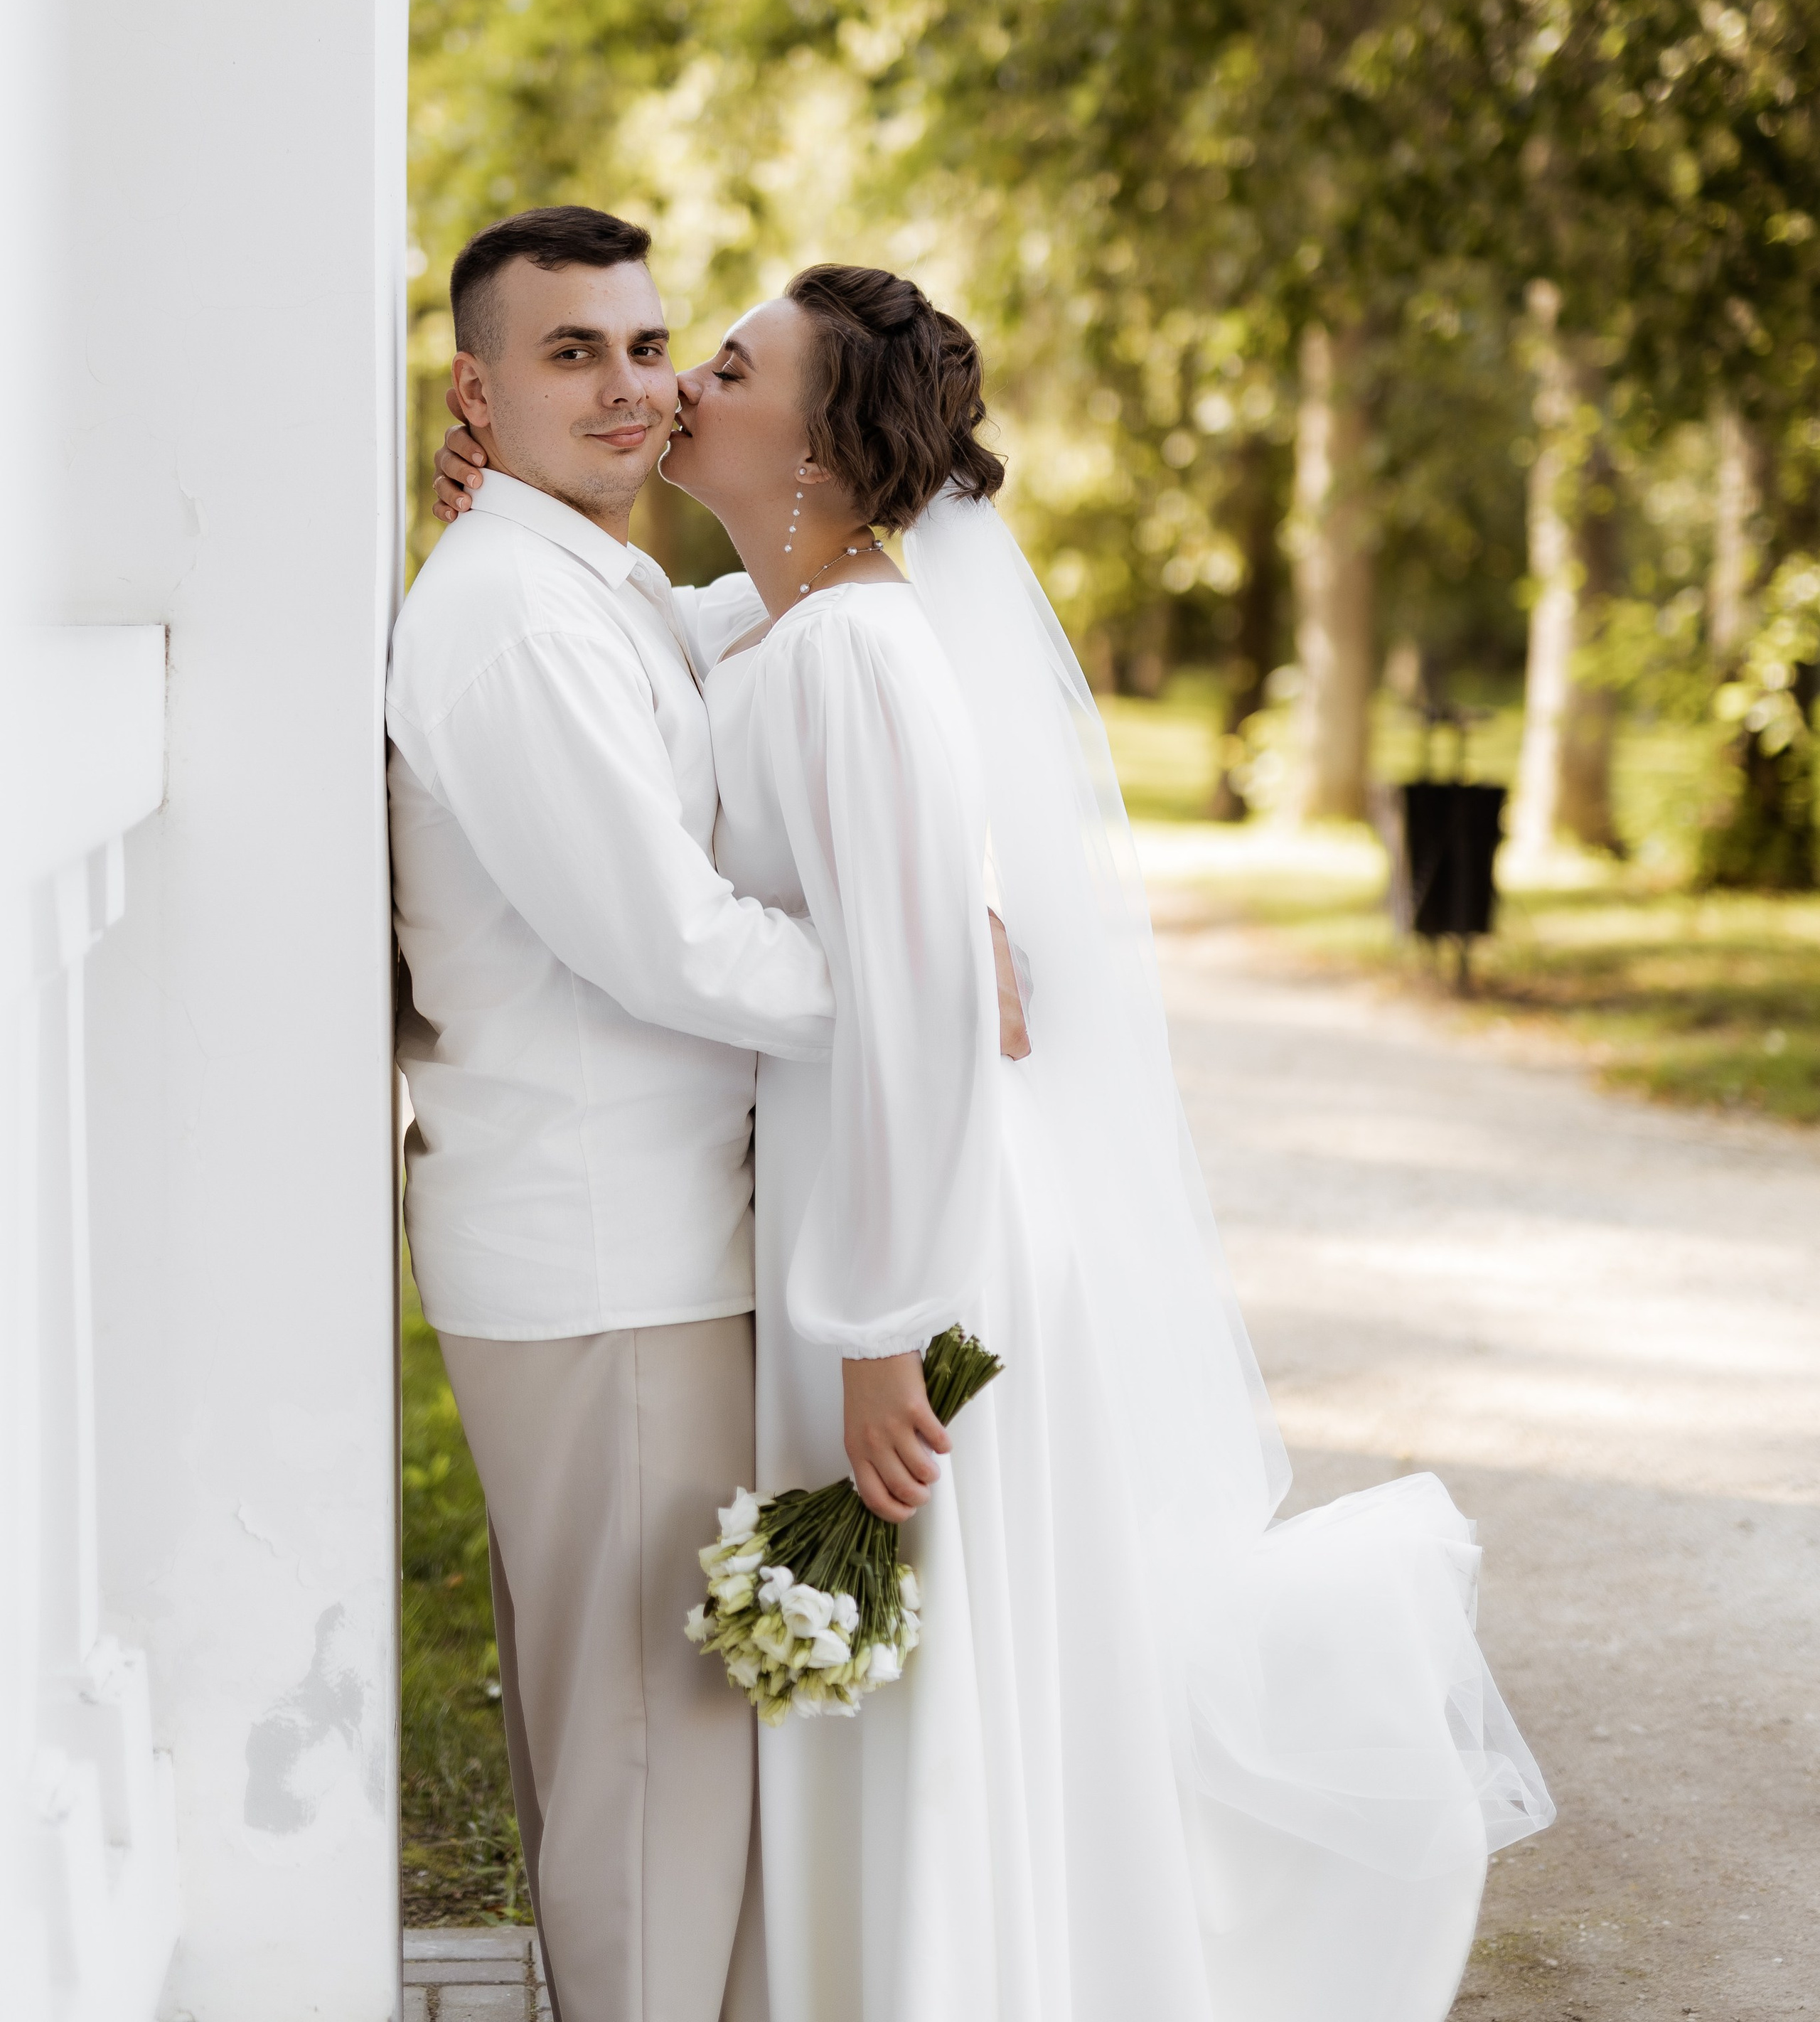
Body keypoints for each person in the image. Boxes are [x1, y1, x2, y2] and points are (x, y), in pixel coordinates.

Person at [434, 257, 1553, 2022]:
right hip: (854, 1181)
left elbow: (919, 1011)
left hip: (909, 1210)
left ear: (813, 450)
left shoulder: (852, 653)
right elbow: (677, 676)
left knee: (940, 1683)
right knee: (896, 1682)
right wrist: (499, 492)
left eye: (718, 364)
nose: (675, 389)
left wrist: (887, 1318)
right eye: (645, 357)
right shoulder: (776, 626)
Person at [399, 207, 1027, 2022]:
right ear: (477, 390)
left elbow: (741, 631)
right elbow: (670, 942)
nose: (632, 386)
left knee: (634, 1754)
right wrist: (916, 976)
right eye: (569, 352)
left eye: (649, 344)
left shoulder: (586, 584)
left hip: (645, 1239)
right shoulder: (513, 616)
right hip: (608, 1251)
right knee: (648, 1774)